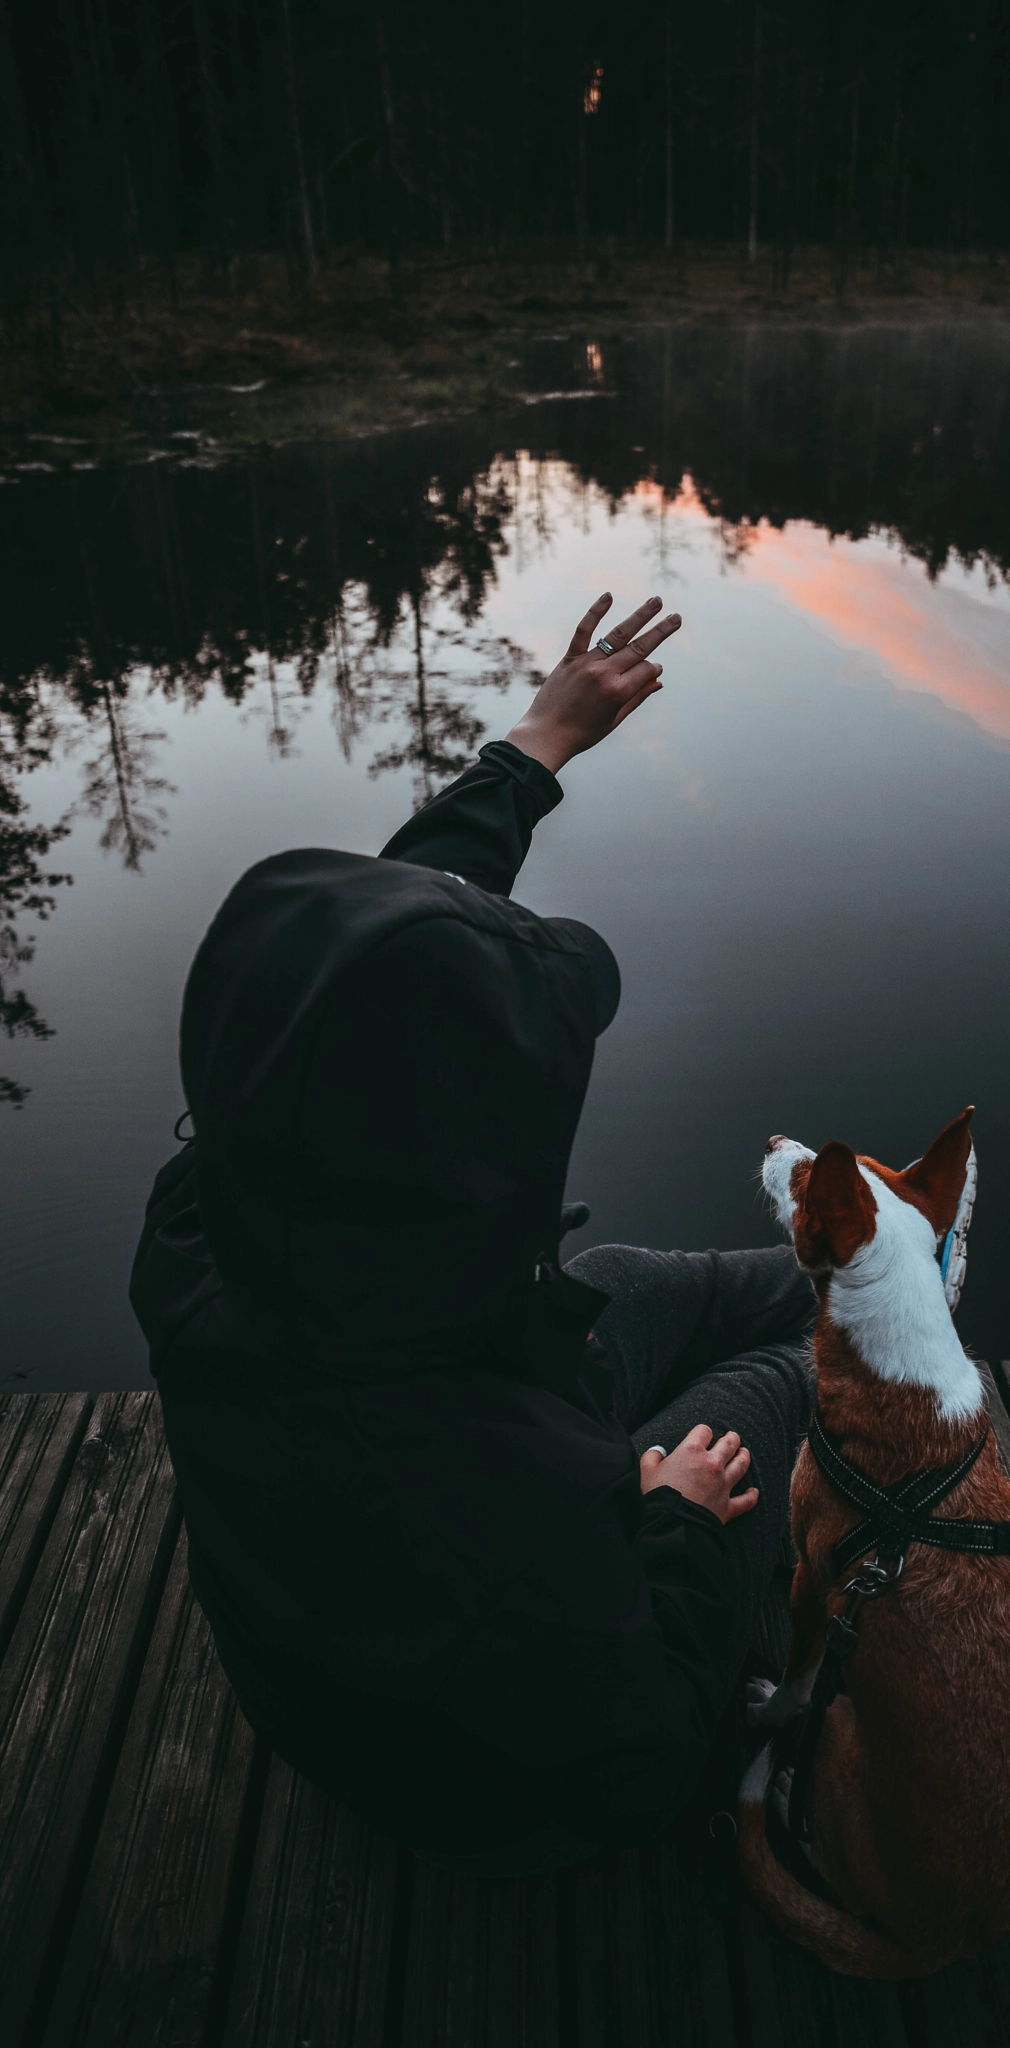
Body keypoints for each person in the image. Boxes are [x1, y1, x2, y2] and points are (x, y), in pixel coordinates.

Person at [130, 591, 817, 1876]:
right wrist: (670, 1520)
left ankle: (869, 1279)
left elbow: (372, 972)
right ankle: (869, 1331)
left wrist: (533, 749)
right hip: (480, 1792)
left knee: (627, 1282)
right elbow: (644, 1769)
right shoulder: (519, 1512)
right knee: (782, 1377)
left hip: (391, 1574)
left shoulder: (200, 1226)